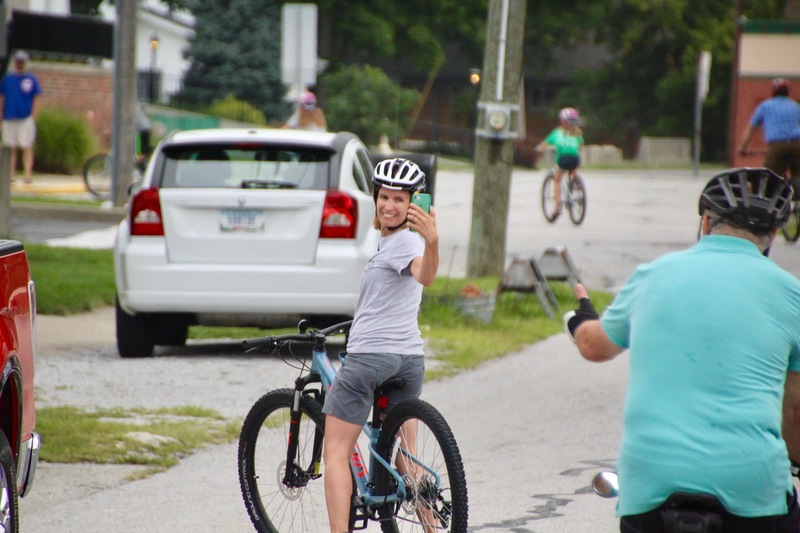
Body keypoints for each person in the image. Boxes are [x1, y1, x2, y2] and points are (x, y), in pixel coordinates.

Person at [565, 167, 800, 532]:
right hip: (751, 487)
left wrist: (582, 317)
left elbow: (593, 346)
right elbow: (795, 409)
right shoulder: (792, 295)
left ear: (705, 222)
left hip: (652, 485)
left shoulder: (653, 275)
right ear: (770, 236)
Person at [322, 157, 439, 533]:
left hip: (371, 358)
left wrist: (434, 241)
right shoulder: (392, 240)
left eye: (399, 199)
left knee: (336, 451)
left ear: (413, 204)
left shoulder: (405, 242)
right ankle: (433, 527)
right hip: (408, 360)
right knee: (407, 456)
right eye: (384, 196)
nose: (389, 205)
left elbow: (425, 274)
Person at [739, 78, 800, 181]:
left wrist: (743, 147)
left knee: (768, 176)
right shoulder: (795, 106)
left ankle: (771, 194)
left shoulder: (765, 106)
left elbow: (751, 128)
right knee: (797, 174)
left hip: (777, 146)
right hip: (797, 144)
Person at [0, 50, 42, 184]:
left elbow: (36, 97)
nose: (19, 64)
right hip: (9, 117)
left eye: (22, 62)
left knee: (26, 146)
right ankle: (10, 175)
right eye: (17, 62)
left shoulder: (31, 79)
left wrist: (33, 116)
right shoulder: (8, 79)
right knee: (10, 147)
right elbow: (2, 97)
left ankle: (27, 175)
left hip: (25, 118)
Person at [536, 107, 584, 218]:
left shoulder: (557, 132)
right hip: (575, 158)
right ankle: (576, 183)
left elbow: (544, 144)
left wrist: (539, 148)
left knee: (556, 180)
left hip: (563, 158)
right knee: (572, 170)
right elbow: (580, 146)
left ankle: (558, 206)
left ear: (562, 121)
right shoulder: (578, 133)